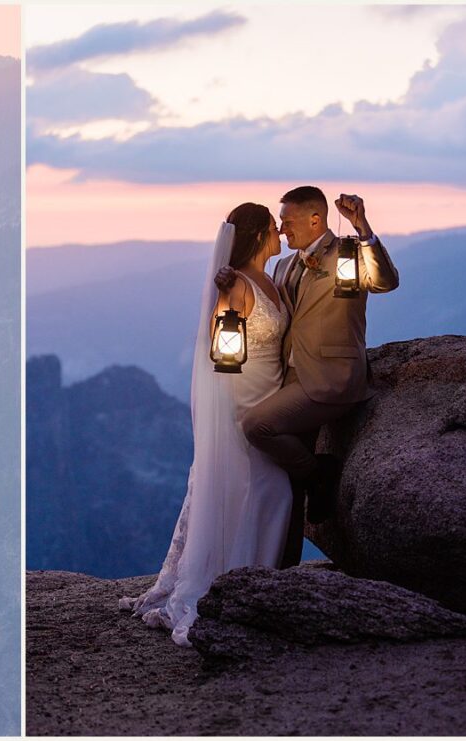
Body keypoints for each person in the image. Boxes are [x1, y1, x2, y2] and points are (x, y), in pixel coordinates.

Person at [119, 202, 292, 646]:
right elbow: (221, 345)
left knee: (264, 486)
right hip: (242, 394)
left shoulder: (271, 278)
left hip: (272, 391)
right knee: (267, 485)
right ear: (256, 236)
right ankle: (236, 582)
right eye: (273, 227)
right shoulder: (233, 285)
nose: (279, 233)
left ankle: (255, 577)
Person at [239, 188, 398, 568]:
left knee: (257, 426)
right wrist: (236, 276)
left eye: (287, 221)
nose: (281, 228)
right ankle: (284, 567)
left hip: (332, 378)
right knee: (287, 482)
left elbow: (385, 281)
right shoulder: (284, 266)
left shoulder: (348, 253)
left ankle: (321, 473)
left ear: (315, 220)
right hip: (291, 377)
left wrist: (363, 230)